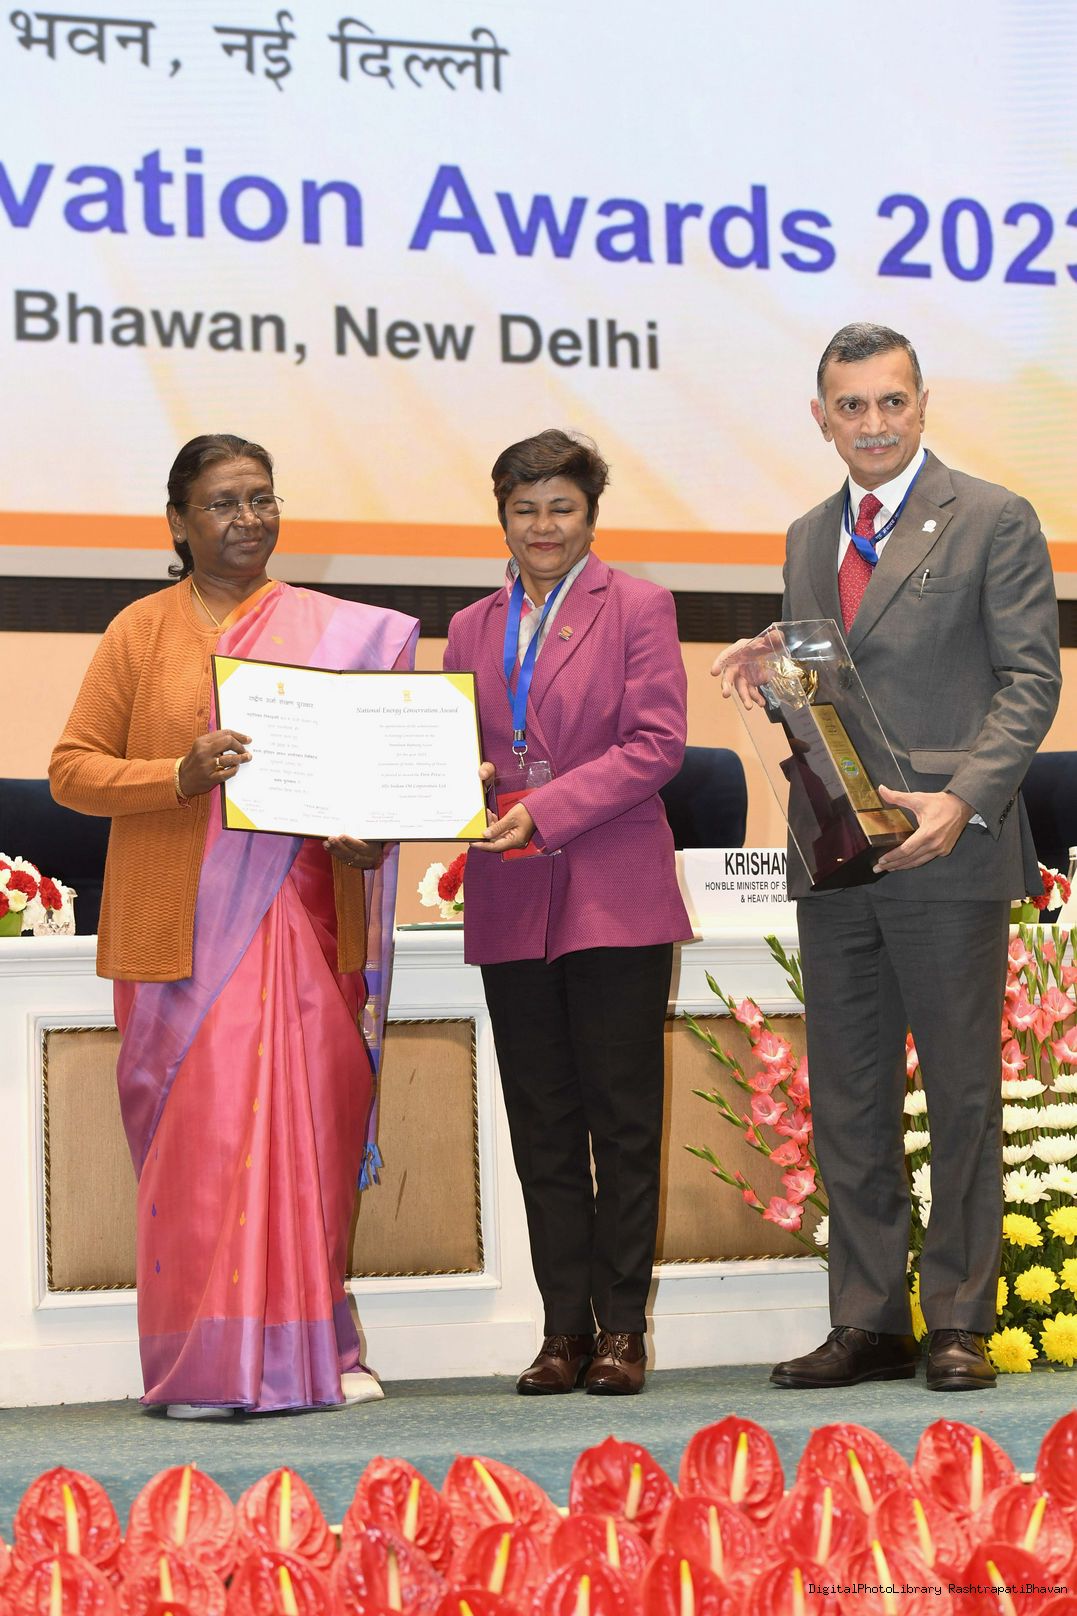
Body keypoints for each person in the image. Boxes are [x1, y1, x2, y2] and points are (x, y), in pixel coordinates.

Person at [715, 323, 1061, 1391]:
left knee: (959, 1097)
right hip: (837, 856)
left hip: (948, 850)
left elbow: (1030, 681)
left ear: (921, 405)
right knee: (848, 1096)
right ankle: (867, 1319)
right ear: (820, 417)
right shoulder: (805, 536)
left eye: (890, 401)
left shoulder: (995, 516)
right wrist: (776, 668)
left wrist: (964, 800)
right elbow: (832, 683)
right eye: (850, 406)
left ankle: (956, 1319)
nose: (872, 423)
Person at [50, 434, 418, 1417]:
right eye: (222, 503)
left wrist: (369, 840)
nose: (247, 519)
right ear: (178, 522)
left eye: (262, 498)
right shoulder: (140, 631)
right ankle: (204, 1365)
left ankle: (316, 1348)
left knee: (308, 1141)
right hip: (182, 937)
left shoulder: (334, 631)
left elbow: (368, 783)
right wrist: (178, 774)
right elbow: (72, 769)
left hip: (307, 922)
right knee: (206, 1153)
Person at [445, 429, 692, 1396]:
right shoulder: (469, 626)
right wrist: (451, 784)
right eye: (524, 508)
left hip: (611, 886)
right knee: (541, 1124)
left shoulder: (638, 605)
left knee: (622, 1123)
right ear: (500, 515)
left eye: (561, 508)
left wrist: (542, 809)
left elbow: (655, 745)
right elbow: (457, 746)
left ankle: (621, 1331)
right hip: (510, 891)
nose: (542, 526)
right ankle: (562, 1332)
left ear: (590, 516)